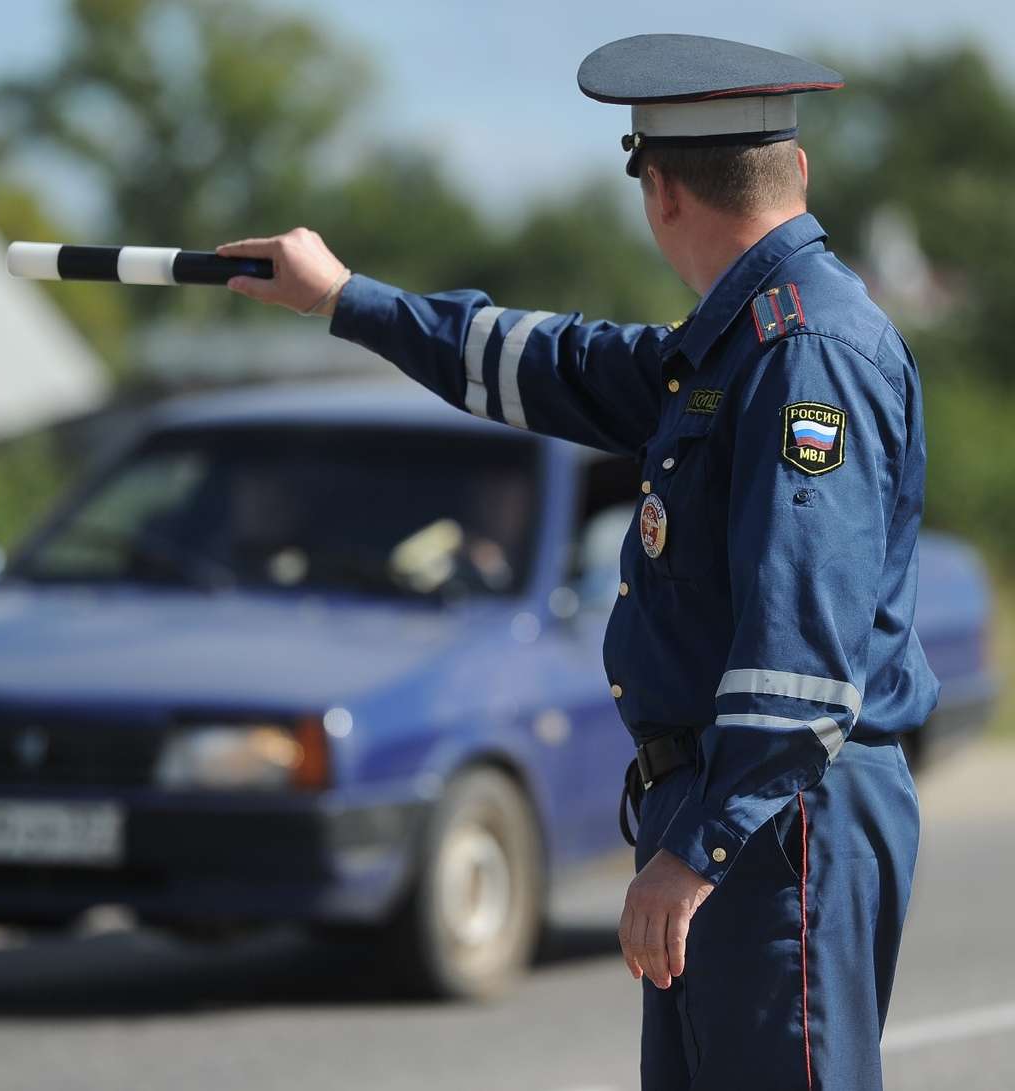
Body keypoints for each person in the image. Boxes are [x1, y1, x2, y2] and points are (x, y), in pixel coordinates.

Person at [216, 34, 938, 1091]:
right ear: (796, 173)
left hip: (777, 812)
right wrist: (346, 299)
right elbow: (549, 362)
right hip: (744, 806)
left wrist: (699, 849)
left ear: (657, 190)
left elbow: (799, 655)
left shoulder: (801, 353)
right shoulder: (736, 341)